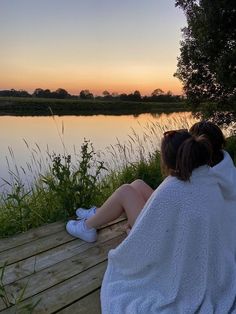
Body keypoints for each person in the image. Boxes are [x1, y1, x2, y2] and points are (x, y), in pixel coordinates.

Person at [99, 129, 236, 313]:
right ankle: (92, 218)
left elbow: (153, 237)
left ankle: (86, 225)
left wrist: (134, 235)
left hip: (172, 242)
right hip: (191, 237)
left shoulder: (172, 188)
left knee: (126, 190)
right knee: (137, 184)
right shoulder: (210, 179)